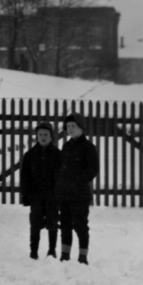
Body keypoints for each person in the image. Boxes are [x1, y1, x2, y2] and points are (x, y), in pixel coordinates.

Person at [55, 113, 99, 265]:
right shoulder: (66, 146)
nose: (70, 129)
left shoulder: (88, 148)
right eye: (68, 126)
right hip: (64, 194)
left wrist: (78, 181)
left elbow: (93, 169)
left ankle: (82, 256)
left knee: (80, 225)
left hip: (79, 194)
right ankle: (65, 255)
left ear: (82, 128)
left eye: (73, 126)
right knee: (65, 225)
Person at [19, 121, 61, 259]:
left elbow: (61, 176)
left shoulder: (57, 155)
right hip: (35, 195)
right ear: (36, 136)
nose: (43, 137)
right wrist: (27, 194)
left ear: (51, 137)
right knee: (35, 223)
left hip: (52, 195)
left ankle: (51, 250)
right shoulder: (30, 155)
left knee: (53, 222)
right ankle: (34, 251)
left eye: (46, 134)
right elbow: (24, 177)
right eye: (40, 134)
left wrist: (58, 194)